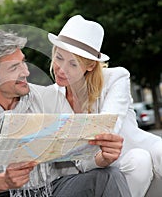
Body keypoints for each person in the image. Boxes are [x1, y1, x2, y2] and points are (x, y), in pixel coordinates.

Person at [0, 30, 131, 197]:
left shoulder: (48, 98)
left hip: (51, 189)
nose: (26, 72)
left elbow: (79, 160)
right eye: (14, 68)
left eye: (23, 62)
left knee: (109, 175)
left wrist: (102, 159)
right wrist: (3, 181)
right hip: (1, 193)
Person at [48, 15, 161, 196]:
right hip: (92, 168)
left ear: (91, 65)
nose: (61, 69)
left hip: (129, 155)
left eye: (73, 64)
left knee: (154, 153)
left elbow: (108, 128)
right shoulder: (50, 96)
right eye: (58, 57)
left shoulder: (116, 78)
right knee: (139, 161)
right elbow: (73, 155)